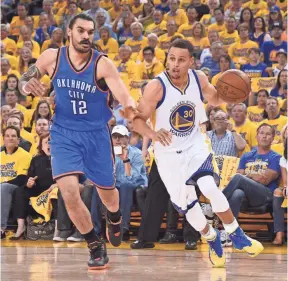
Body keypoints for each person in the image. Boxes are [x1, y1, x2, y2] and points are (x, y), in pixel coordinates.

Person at [18, 13, 136, 270]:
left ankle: (114, 217)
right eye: (81, 31)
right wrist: (29, 86)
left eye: (90, 32)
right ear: (69, 32)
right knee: (69, 193)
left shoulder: (102, 64)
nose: (86, 36)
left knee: (109, 196)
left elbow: (125, 96)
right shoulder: (52, 56)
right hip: (63, 133)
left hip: (96, 135)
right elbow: (25, 79)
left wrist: (130, 108)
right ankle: (94, 245)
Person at [132, 39, 264, 268]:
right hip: (167, 154)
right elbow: (136, 121)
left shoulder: (199, 79)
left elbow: (216, 98)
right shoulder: (157, 86)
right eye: (171, 59)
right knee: (189, 205)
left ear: (191, 62)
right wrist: (152, 134)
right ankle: (212, 238)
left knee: (209, 186)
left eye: (181, 60)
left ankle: (236, 234)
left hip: (195, 145)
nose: (175, 64)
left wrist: (235, 93)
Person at [222, 123, 281, 220]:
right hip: (246, 196)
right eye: (261, 133)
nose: (264, 136)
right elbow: (240, 176)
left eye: (268, 134)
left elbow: (264, 181)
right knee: (237, 193)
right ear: (257, 136)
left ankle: (217, 203)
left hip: (264, 196)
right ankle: (231, 231)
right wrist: (253, 175)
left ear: (272, 138)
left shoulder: (276, 158)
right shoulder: (246, 156)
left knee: (238, 178)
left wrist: (246, 175)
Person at [0, 126, 32, 240]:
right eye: (7, 136)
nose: (10, 138)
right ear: (3, 139)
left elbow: (22, 179)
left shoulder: (25, 155)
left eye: (14, 136)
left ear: (18, 140)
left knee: (3, 188)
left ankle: (1, 229)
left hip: (15, 187)